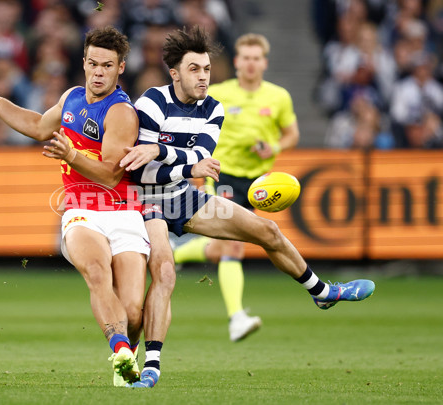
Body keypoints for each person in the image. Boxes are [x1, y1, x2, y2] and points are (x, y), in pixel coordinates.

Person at [119, 26, 376, 388]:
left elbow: (201, 154)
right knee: (165, 271)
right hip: (146, 197)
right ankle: (152, 367)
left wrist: (167, 154)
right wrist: (184, 164)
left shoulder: (213, 107)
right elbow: (141, 167)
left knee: (267, 231)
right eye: (194, 69)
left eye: (207, 69)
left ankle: (321, 293)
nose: (204, 77)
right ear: (174, 73)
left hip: (181, 193)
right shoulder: (151, 102)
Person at [0, 26, 149, 387]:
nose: (98, 72)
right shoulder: (72, 97)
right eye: (92, 63)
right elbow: (38, 126)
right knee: (95, 270)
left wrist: (72, 154)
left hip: (123, 210)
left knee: (135, 310)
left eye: (107, 65)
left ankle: (129, 350)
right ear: (84, 62)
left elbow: (109, 175)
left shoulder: (121, 113)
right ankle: (120, 349)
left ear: (121, 68)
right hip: (81, 209)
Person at [172, 33, 298, 342]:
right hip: (220, 174)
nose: (251, 63)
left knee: (220, 246)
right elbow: (190, 123)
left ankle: (176, 254)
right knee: (233, 245)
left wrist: (274, 147)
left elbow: (292, 134)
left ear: (264, 63)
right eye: (246, 58)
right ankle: (236, 318)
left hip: (257, 182)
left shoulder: (278, 96)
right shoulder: (217, 93)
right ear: (237, 61)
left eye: (257, 58)